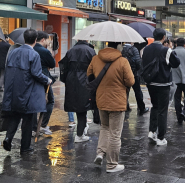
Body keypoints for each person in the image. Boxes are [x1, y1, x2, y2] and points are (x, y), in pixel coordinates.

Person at [2, 29, 52, 154]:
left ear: (24, 39)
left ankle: (8, 138)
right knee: (28, 119)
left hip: (14, 90)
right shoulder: (34, 54)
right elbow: (36, 73)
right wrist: (47, 80)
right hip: (28, 90)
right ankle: (25, 147)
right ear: (36, 40)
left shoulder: (13, 52)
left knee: (15, 116)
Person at [88, 42, 135, 172]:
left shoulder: (96, 59)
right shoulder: (123, 61)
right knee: (115, 133)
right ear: (118, 45)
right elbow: (130, 81)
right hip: (117, 102)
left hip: (101, 99)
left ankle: (100, 153)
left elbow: (89, 76)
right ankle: (112, 164)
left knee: (104, 127)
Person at [142, 28, 180, 146]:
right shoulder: (166, 50)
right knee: (163, 110)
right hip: (163, 83)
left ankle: (152, 131)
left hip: (150, 83)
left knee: (155, 106)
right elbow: (176, 63)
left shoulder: (145, 49)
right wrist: (171, 49)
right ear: (164, 37)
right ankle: (161, 137)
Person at [59, 40, 96, 142]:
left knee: (75, 104)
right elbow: (95, 67)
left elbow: (64, 66)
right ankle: (80, 134)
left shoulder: (70, 51)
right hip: (85, 80)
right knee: (83, 107)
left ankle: (81, 129)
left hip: (71, 80)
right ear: (87, 41)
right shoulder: (90, 51)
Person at [32, 31, 56, 136]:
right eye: (47, 39)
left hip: (32, 78)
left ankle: (34, 127)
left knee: (33, 103)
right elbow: (52, 63)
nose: (49, 41)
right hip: (45, 77)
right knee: (49, 100)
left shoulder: (31, 48)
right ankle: (43, 125)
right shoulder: (45, 51)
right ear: (43, 40)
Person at [122, 42, 150, 115]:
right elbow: (138, 62)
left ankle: (125, 107)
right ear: (131, 41)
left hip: (123, 74)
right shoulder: (134, 49)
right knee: (138, 91)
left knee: (124, 91)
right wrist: (137, 70)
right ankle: (141, 108)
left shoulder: (121, 49)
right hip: (134, 74)